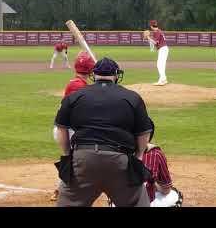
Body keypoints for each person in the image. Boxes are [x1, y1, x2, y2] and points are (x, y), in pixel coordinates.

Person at [54, 57, 153, 207]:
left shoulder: (75, 96)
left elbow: (61, 128)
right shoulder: (132, 97)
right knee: (137, 202)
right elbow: (144, 132)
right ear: (116, 75)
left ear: (94, 74)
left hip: (83, 159)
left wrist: (68, 154)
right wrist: (138, 157)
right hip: (120, 161)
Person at [50, 51, 96, 202]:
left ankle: (61, 187)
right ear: (90, 70)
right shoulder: (78, 86)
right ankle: (62, 189)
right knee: (75, 159)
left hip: (66, 128)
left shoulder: (77, 83)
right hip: (67, 130)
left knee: (74, 158)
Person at [146, 20, 169, 86]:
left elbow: (155, 42)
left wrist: (148, 37)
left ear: (151, 26)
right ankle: (164, 79)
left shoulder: (157, 32)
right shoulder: (158, 31)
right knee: (162, 65)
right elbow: (154, 42)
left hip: (163, 49)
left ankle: (162, 80)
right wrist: (149, 38)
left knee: (159, 65)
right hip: (163, 49)